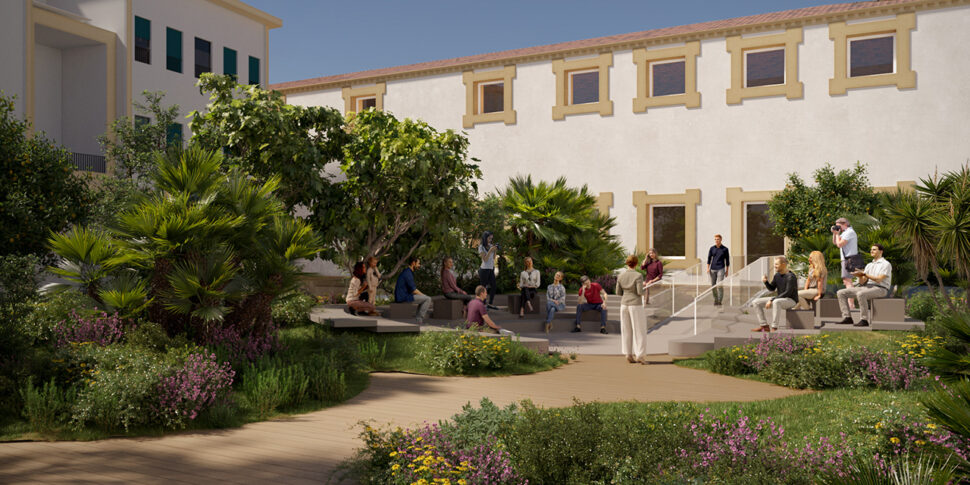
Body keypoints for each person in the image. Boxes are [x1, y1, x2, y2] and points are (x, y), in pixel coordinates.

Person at [836, 244, 892, 327]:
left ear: (881, 251)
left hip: (881, 288)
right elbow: (862, 282)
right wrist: (859, 275)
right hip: (867, 287)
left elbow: (879, 280)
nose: (871, 251)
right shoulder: (869, 265)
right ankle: (847, 317)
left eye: (874, 249)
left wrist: (864, 274)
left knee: (861, 294)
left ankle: (864, 320)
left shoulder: (886, 264)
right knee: (841, 293)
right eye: (871, 249)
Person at [750, 256, 799, 332]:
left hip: (791, 300)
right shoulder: (777, 275)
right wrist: (766, 282)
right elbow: (772, 288)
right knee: (755, 302)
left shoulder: (791, 277)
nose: (774, 266)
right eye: (775, 264)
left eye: (776, 264)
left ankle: (774, 327)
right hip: (780, 299)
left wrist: (772, 299)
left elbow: (788, 293)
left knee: (776, 301)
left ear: (783, 264)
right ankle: (764, 326)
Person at [616, 254, 647, 364]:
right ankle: (640, 355)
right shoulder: (638, 275)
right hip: (635, 304)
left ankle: (628, 354)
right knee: (639, 330)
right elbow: (639, 292)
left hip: (624, 304)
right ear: (636, 263)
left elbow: (618, 293)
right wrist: (644, 287)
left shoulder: (620, 276)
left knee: (626, 330)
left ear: (627, 263)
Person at [394, 257, 431, 324]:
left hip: (404, 295)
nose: (419, 265)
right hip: (403, 297)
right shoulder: (408, 273)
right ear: (413, 263)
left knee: (424, 298)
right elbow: (414, 290)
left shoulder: (408, 271)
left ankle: (418, 319)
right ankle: (419, 320)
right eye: (418, 263)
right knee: (427, 299)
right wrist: (424, 295)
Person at [832, 217, 859, 309]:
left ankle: (851, 304)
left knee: (848, 281)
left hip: (849, 259)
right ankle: (851, 303)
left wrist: (837, 234)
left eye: (838, 226)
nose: (837, 227)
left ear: (845, 224)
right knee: (846, 280)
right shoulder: (845, 233)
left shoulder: (849, 232)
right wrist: (835, 234)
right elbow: (835, 242)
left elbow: (840, 244)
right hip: (846, 259)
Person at [477, 231, 499, 309]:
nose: (490, 240)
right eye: (489, 238)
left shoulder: (490, 245)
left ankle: (490, 304)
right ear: (485, 237)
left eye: (491, 238)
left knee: (494, 286)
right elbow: (485, 259)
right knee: (483, 288)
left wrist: (495, 250)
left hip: (491, 269)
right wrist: (490, 250)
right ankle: (483, 304)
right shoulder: (481, 247)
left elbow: (493, 258)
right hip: (484, 270)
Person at [707, 234, 730, 306]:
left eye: (718, 239)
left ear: (721, 240)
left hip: (721, 268)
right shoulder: (712, 248)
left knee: (720, 285)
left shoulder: (725, 249)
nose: (716, 240)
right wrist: (708, 268)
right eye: (715, 239)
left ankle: (720, 300)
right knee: (713, 285)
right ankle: (715, 300)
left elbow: (727, 260)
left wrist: (727, 271)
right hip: (712, 269)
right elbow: (709, 259)